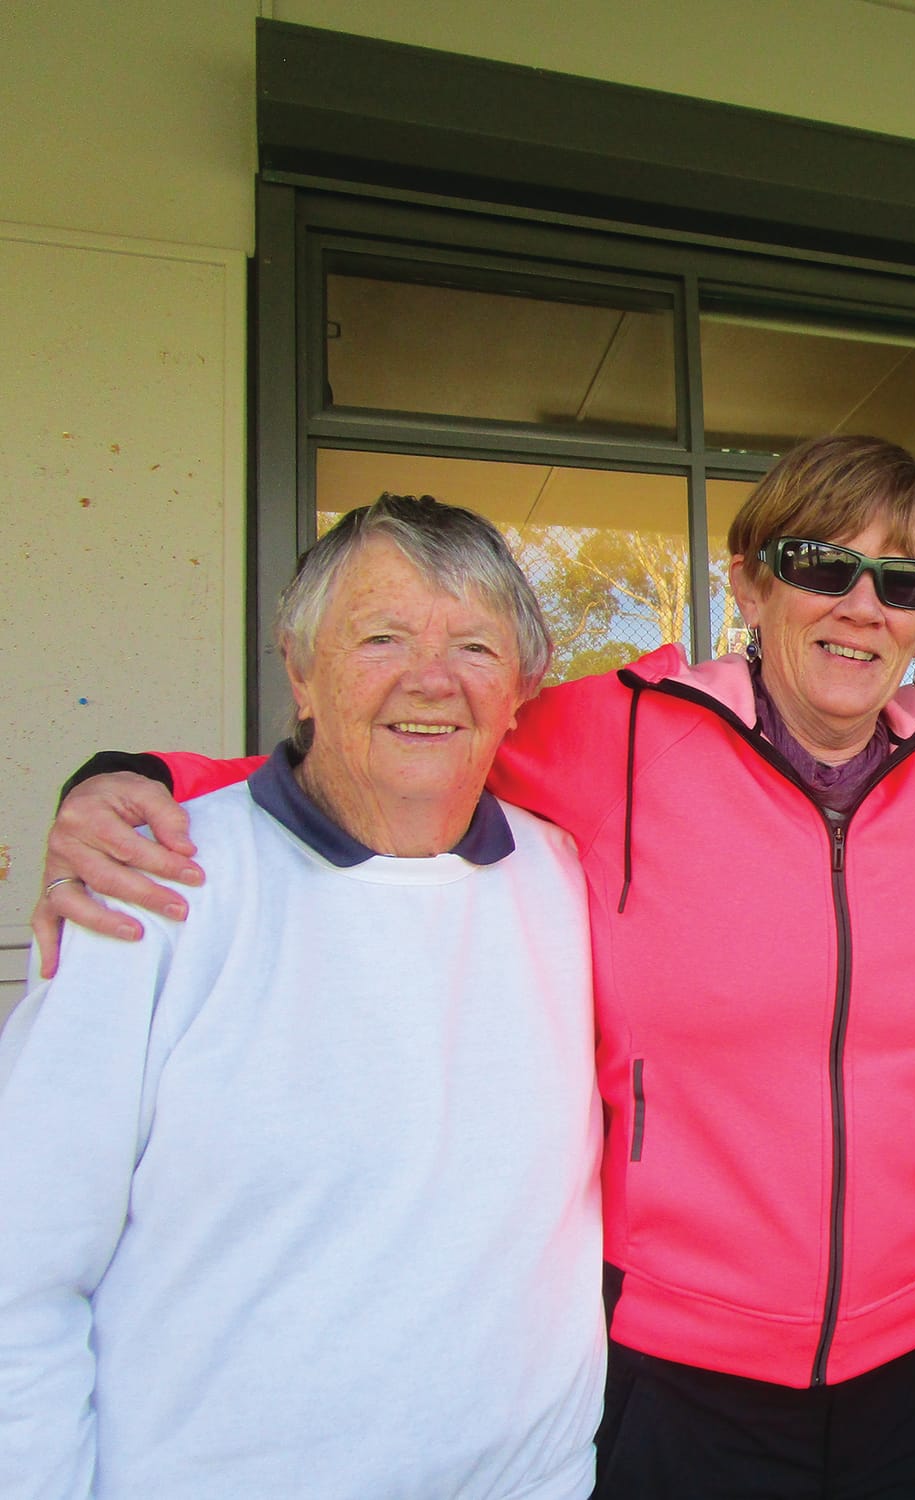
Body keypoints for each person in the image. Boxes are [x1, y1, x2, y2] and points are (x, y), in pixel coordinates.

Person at [33, 436, 915, 1499]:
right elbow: (405, 739)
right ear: (748, 582)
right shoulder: (621, 733)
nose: (861, 604)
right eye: (822, 563)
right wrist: (131, 781)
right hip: (678, 1376)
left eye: (903, 580)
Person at [0, 496, 604, 1498]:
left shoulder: (564, 880)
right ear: (300, 672)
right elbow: (20, 1271)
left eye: (473, 647)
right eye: (381, 638)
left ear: (517, 694)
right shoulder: (148, 888)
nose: (430, 679)